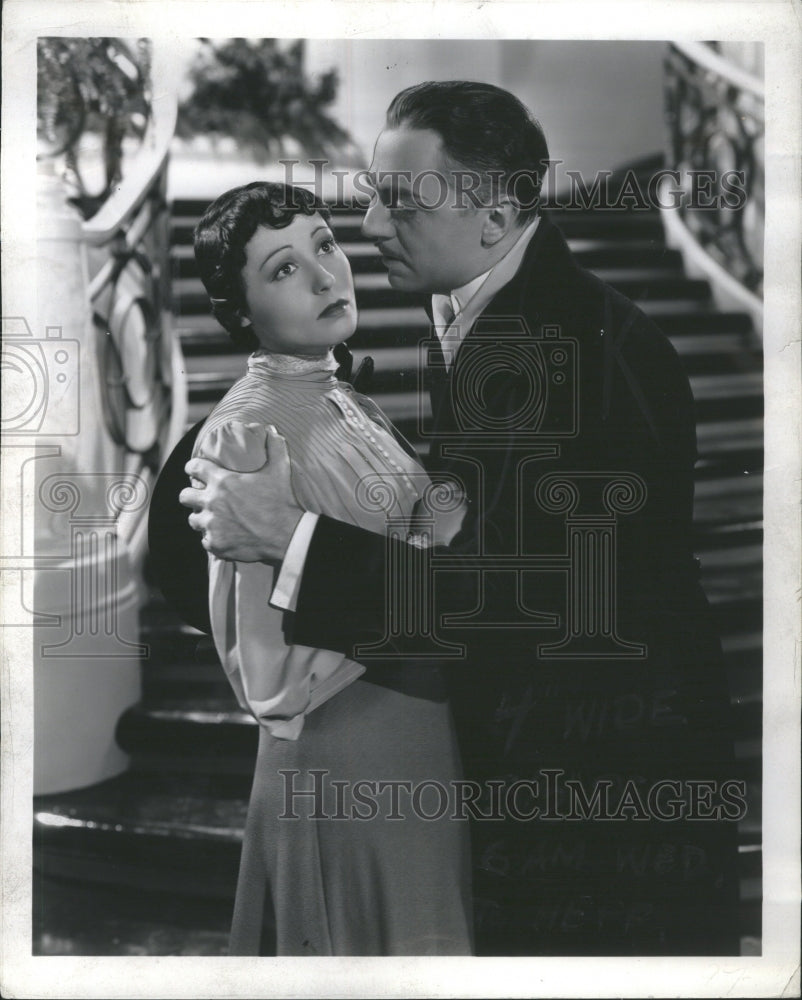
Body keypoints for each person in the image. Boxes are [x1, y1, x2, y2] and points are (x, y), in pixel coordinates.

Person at [180, 82, 740, 955]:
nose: (367, 228)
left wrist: (291, 539)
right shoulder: (480, 310)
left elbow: (516, 604)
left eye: (400, 202)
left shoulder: (584, 348)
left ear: (496, 213)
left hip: (598, 802)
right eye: (368, 195)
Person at [181, 181, 473, 956]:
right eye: (282, 269)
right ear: (240, 310)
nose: (323, 276)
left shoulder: (343, 394)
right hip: (346, 749)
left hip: (417, 731)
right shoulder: (244, 432)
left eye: (324, 245)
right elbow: (267, 680)